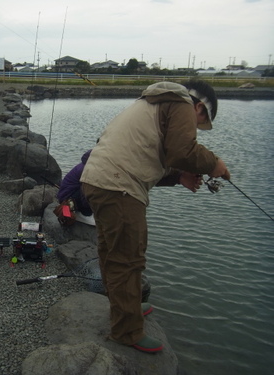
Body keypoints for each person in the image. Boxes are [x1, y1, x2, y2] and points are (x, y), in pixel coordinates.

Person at [80, 80, 230, 353]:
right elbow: (182, 150)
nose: (195, 128)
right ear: (199, 106)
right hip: (118, 187)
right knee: (128, 258)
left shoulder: (153, 102)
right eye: (200, 121)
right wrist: (215, 163)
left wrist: (179, 176)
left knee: (112, 252)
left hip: (98, 180)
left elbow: (144, 154)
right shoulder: (182, 102)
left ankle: (126, 307)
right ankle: (126, 331)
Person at [56, 150, 95, 225]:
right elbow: (85, 191)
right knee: (90, 188)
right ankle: (84, 213)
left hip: (67, 194)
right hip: (67, 198)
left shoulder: (85, 165)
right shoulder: (86, 170)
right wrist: (89, 209)